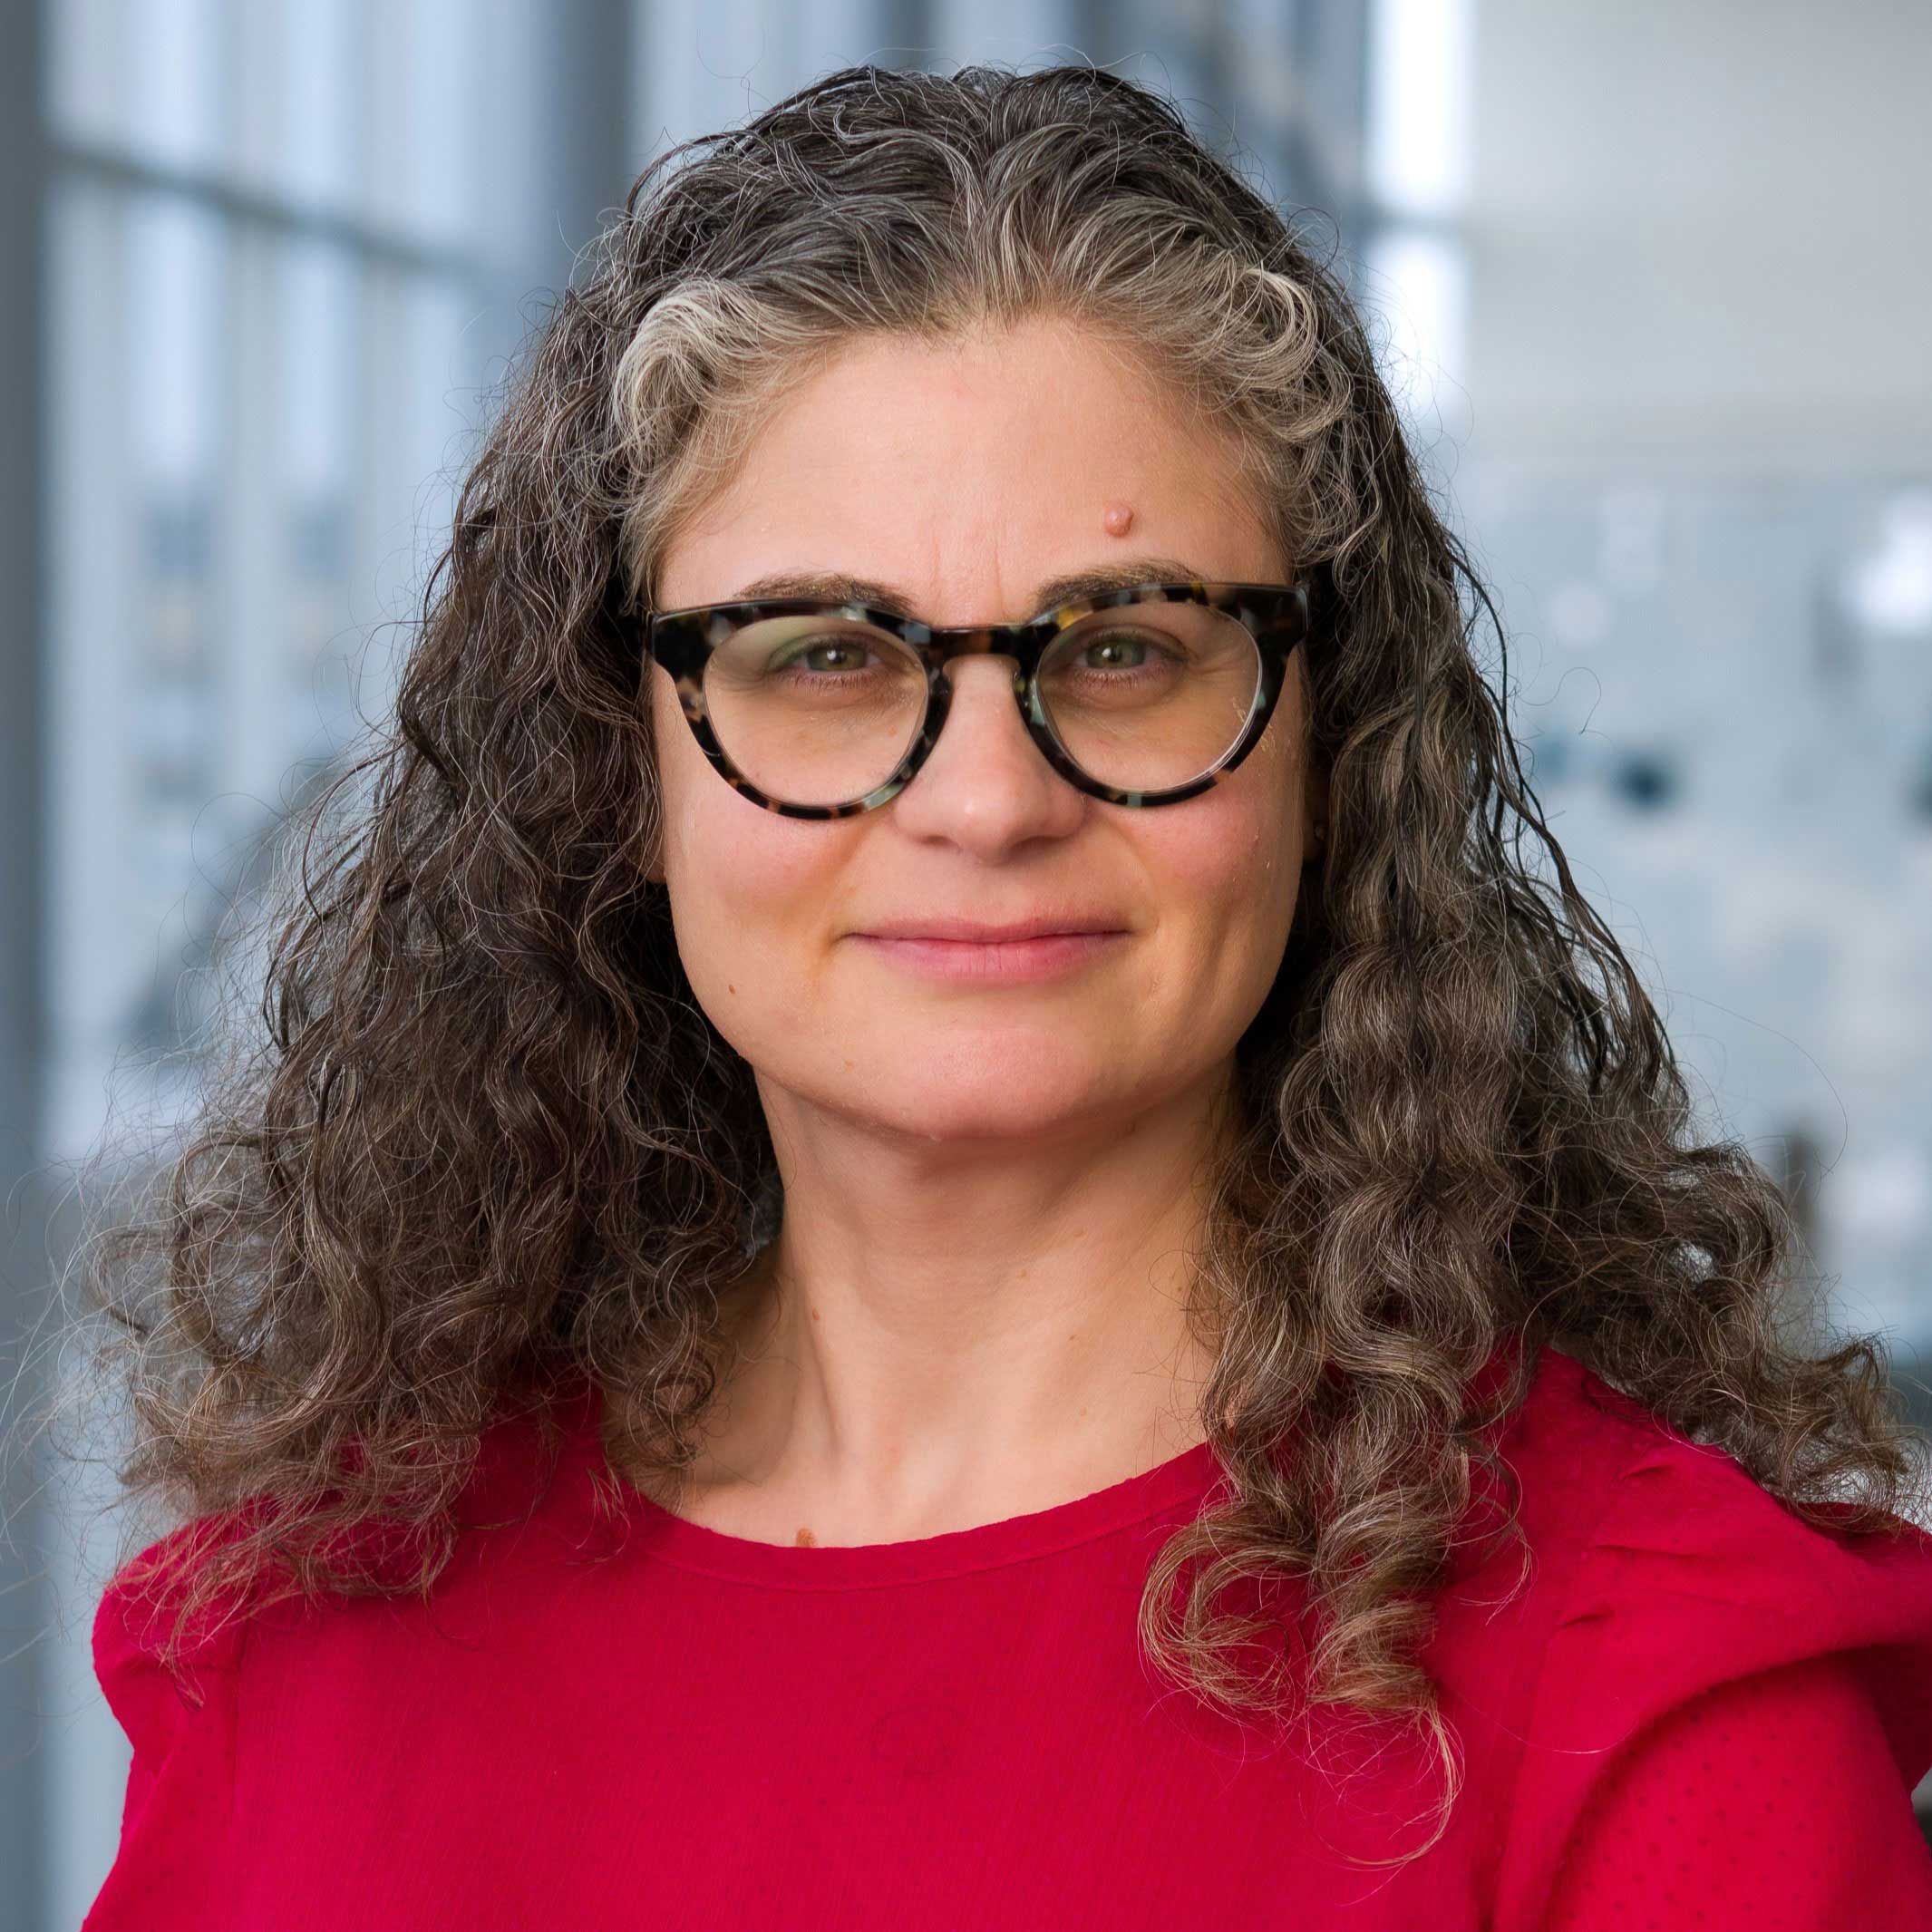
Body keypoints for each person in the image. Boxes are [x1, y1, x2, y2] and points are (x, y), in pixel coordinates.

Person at [70, 63, 1932, 1930]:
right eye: (824, 655)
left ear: (1330, 746)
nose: (985, 801)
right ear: (615, 767)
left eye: (1123, 650)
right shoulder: (305, 1639)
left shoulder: (1651, 1712)